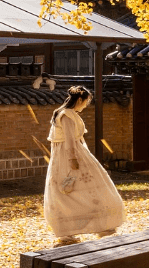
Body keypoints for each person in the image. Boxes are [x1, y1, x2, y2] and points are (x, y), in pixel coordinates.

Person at [44, 85, 125, 245]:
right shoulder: (66, 115)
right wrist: (73, 159)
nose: (86, 105)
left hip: (71, 154)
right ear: (80, 99)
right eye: (86, 102)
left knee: (81, 190)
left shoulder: (69, 114)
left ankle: (100, 226)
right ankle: (73, 232)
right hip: (69, 155)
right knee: (71, 190)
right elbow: (69, 139)